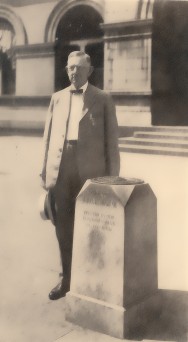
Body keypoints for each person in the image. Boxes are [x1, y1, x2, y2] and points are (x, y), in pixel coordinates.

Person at [40, 51, 120, 300]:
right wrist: (45, 172)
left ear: (90, 70)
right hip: (62, 169)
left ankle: (93, 281)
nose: (74, 72)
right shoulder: (57, 98)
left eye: (79, 68)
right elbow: (48, 136)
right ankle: (66, 280)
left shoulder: (103, 99)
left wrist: (112, 179)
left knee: (93, 225)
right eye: (70, 68)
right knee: (62, 226)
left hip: (90, 172)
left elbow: (112, 143)